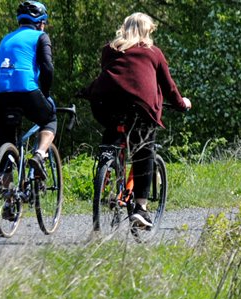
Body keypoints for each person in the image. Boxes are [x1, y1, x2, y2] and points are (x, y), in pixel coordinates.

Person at [81, 12, 191, 229]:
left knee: (112, 135)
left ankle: (108, 166)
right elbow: (168, 88)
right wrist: (182, 104)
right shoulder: (153, 53)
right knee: (144, 151)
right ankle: (140, 208)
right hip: (139, 107)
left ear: (124, 28)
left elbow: (115, 75)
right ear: (147, 31)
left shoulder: (110, 49)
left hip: (103, 103)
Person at [0, 2, 56, 159]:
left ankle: (4, 180)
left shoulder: (6, 39)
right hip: (25, 88)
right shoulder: (40, 36)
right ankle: (39, 155)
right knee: (50, 119)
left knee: (5, 142)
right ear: (40, 23)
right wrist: (45, 94)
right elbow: (47, 68)